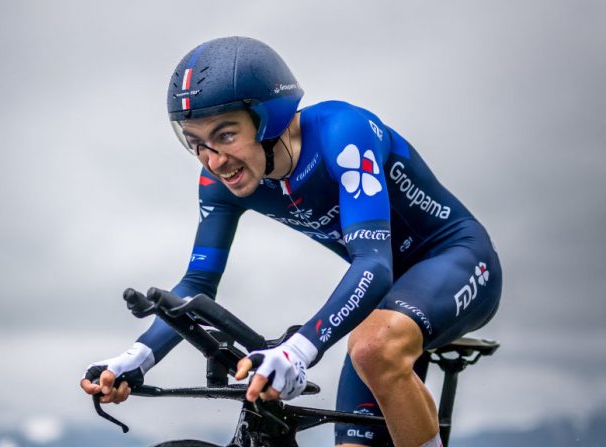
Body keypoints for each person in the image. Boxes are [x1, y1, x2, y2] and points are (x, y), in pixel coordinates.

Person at [80, 36, 501, 447]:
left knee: (373, 347)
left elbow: (373, 263)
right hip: (386, 293)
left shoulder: (343, 133)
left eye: (226, 135)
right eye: (197, 144)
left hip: (457, 259)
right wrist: (134, 360)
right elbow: (196, 286)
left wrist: (298, 351)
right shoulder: (219, 182)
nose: (214, 161)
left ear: (271, 118)